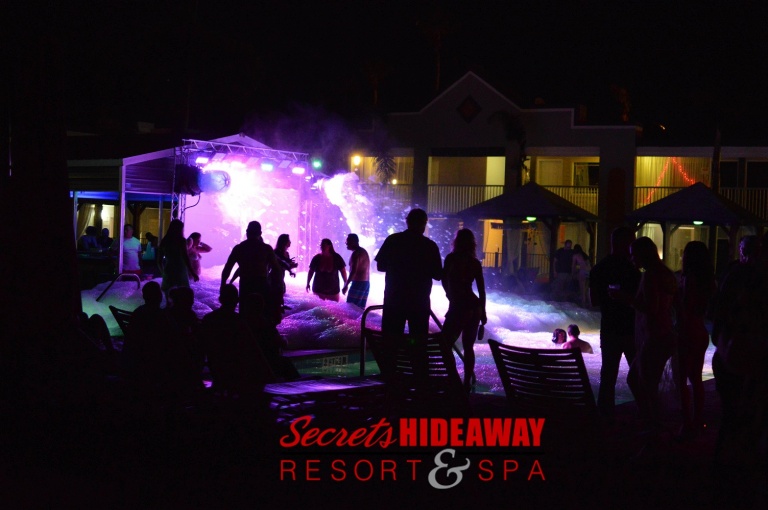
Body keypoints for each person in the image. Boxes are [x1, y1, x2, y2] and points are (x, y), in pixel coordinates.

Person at [613, 236, 677, 429]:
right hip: (664, 332)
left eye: (634, 255)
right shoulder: (664, 273)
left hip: (655, 335)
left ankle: (652, 424)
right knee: (641, 380)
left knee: (642, 382)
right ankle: (650, 420)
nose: (631, 259)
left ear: (643, 254)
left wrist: (625, 298)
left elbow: (651, 307)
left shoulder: (651, 275)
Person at [374, 208, 442, 375]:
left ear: (407, 222)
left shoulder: (393, 240)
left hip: (394, 300)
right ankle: (419, 379)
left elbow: (380, 266)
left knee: (391, 342)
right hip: (419, 302)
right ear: (424, 224)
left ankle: (389, 378)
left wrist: (398, 267)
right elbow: (438, 275)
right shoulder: (429, 246)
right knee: (418, 343)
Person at [589, 226, 641, 417]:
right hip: (631, 328)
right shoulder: (633, 270)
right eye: (631, 242)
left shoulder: (599, 269)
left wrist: (608, 298)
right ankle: (645, 414)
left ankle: (605, 416)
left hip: (610, 327)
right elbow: (641, 301)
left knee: (608, 375)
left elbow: (593, 301)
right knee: (638, 374)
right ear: (623, 243)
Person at [673, 241, 716, 440]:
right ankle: (698, 420)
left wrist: (675, 299)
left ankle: (686, 423)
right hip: (700, 330)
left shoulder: (689, 279)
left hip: (687, 330)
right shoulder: (708, 281)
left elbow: (685, 308)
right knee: (696, 379)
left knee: (681, 379)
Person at [442, 228, 487, 392]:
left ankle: (453, 378)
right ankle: (466, 382)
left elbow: (444, 280)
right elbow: (481, 290)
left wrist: (450, 296)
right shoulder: (475, 263)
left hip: (459, 306)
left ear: (456, 242)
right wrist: (484, 313)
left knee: (444, 344)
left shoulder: (451, 258)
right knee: (468, 347)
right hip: (475, 306)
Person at [221, 221, 282, 321]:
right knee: (261, 315)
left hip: (245, 284)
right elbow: (277, 269)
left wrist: (223, 285)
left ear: (247, 232)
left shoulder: (239, 248)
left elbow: (227, 269)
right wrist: (278, 289)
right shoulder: (266, 249)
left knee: (244, 315)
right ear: (260, 233)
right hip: (262, 284)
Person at [158, 219, 198, 299]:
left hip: (169, 269)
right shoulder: (181, 241)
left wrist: (163, 272)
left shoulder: (164, 241)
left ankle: (168, 306)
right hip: (180, 269)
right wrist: (193, 272)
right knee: (183, 295)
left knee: (168, 295)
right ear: (180, 229)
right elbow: (185, 258)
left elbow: (159, 260)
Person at [269, 233, 298, 312]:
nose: (290, 242)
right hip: (274, 276)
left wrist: (291, 266)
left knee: (281, 292)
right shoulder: (276, 252)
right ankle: (276, 310)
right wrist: (289, 267)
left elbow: (285, 265)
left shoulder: (287, 254)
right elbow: (279, 264)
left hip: (281, 276)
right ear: (284, 242)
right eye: (288, 240)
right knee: (276, 293)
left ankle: (279, 308)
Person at [342, 233, 371, 309]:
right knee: (360, 309)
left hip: (358, 283)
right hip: (366, 284)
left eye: (347, 241)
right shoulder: (363, 251)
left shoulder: (356, 253)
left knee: (350, 308)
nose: (346, 243)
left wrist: (346, 285)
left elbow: (353, 271)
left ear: (353, 242)